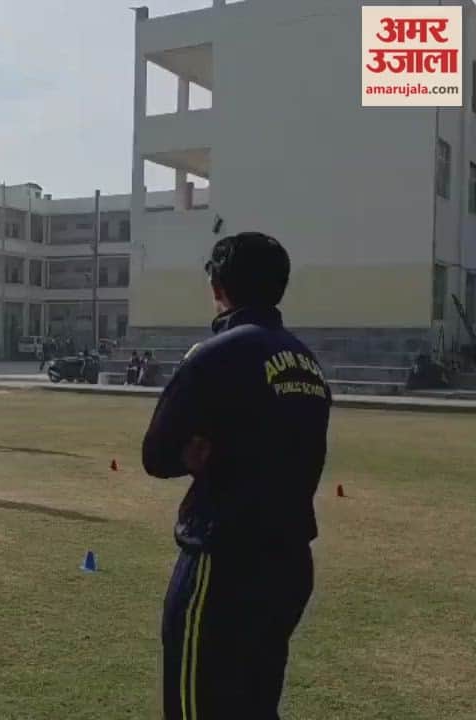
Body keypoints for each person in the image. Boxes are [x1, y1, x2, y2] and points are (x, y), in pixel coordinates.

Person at [142, 232, 331, 719]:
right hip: (289, 560)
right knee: (253, 705)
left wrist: (191, 455)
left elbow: (157, 453)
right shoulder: (306, 362)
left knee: (196, 706)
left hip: (225, 559)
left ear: (218, 285)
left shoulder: (215, 355)